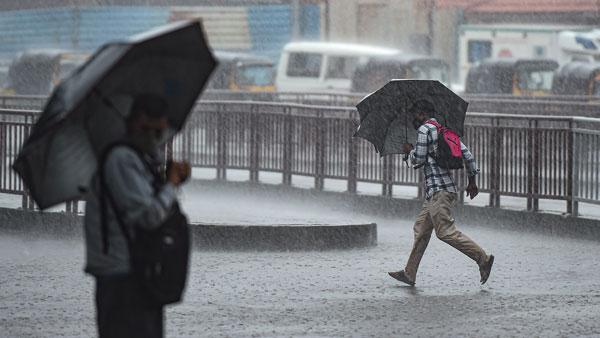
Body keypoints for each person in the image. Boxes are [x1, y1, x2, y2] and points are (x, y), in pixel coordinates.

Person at [83, 93, 191, 337]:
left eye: (158, 132)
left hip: (138, 273)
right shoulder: (122, 159)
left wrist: (169, 181)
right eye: (146, 129)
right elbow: (149, 216)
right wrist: (171, 185)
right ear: (130, 122)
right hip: (122, 276)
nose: (152, 138)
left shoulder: (139, 158)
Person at [388, 99, 494, 286]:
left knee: (445, 232)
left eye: (414, 116)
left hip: (438, 191)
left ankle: (483, 259)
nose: (413, 119)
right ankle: (409, 273)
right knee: (421, 229)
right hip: (442, 190)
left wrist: (409, 151)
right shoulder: (444, 130)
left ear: (422, 114)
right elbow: (467, 156)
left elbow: (418, 160)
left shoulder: (423, 130)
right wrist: (472, 182)